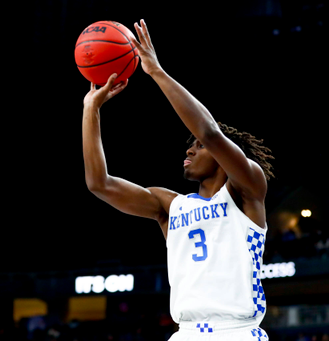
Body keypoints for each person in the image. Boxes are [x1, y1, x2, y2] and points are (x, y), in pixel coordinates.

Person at [82, 19, 275, 341]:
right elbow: (99, 184)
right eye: (191, 145)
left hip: (237, 332)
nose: (189, 148)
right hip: (185, 333)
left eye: (197, 147)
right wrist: (91, 109)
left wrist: (155, 71)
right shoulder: (170, 205)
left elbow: (210, 133)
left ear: (225, 156)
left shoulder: (247, 189)